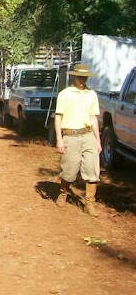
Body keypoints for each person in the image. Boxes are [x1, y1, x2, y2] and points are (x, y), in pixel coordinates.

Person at [54, 63, 102, 216]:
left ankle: (90, 203)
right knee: (69, 169)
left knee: (92, 169)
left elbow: (93, 118)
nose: (82, 79)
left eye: (84, 77)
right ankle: (63, 193)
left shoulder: (91, 94)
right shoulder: (65, 94)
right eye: (79, 76)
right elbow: (58, 116)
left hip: (88, 136)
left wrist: (98, 140)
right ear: (74, 76)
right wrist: (59, 139)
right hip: (71, 136)